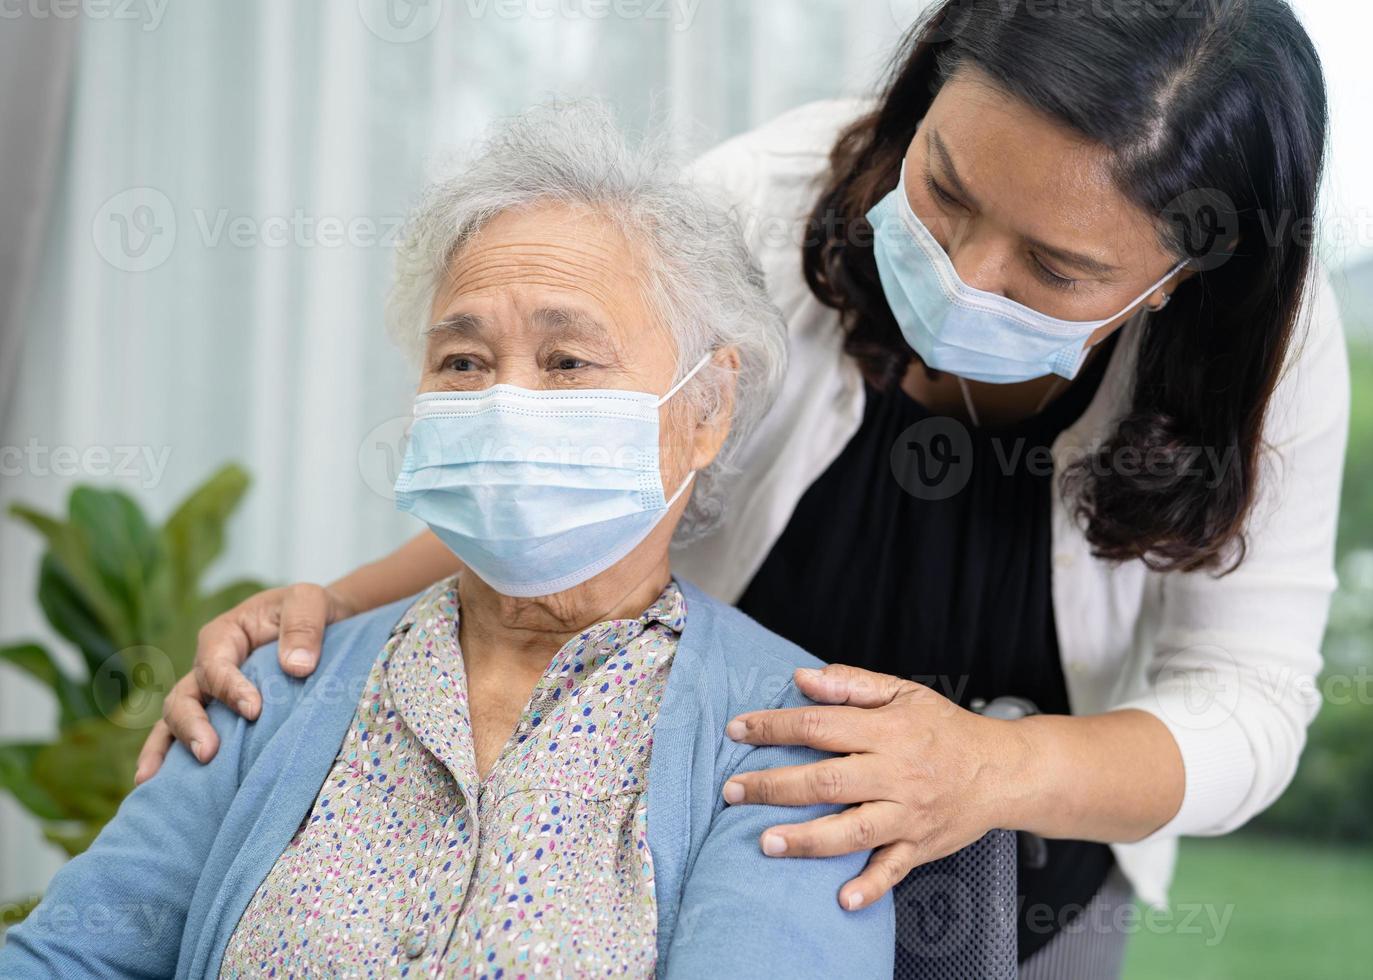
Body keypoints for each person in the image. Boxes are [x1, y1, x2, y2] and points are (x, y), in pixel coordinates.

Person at [141, 1, 1349, 975]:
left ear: (1183, 276)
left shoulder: (1260, 358)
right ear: (921, 102)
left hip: (1031, 874)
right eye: (948, 191)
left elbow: (1245, 705)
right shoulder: (761, 206)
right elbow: (565, 476)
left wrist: (987, 768)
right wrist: (326, 613)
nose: (970, 273)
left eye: (1055, 266)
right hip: (705, 803)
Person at [0, 102, 895, 980]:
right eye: (462, 361)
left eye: (567, 361)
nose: (504, 401)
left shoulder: (792, 741)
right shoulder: (270, 689)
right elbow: (70, 955)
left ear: (707, 410)